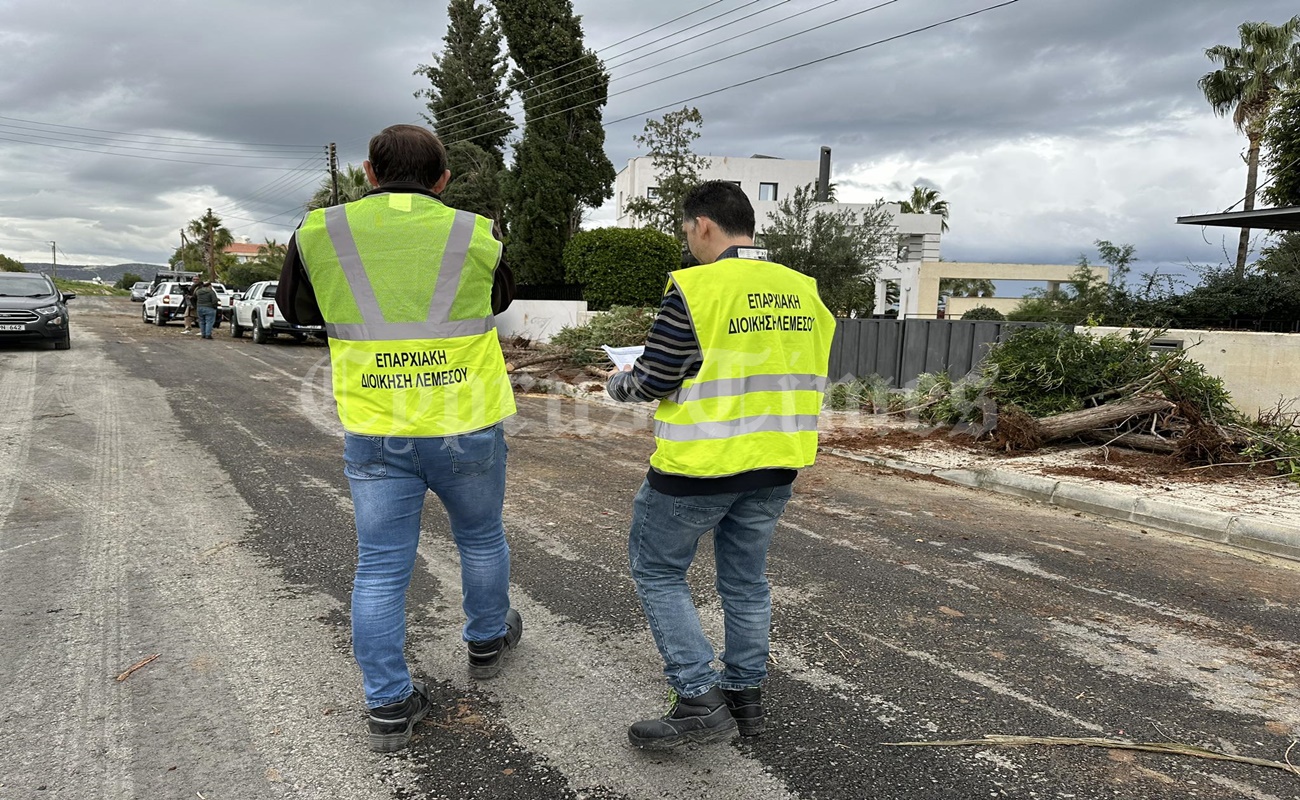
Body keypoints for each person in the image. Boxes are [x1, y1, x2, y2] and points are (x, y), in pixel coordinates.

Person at [276, 124, 520, 753]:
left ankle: (388, 704)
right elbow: (498, 299)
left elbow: (297, 311)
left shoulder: (319, 232)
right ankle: (488, 641)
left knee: (382, 565)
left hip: (378, 423)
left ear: (369, 172)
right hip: (466, 418)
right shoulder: (476, 231)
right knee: (481, 536)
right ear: (443, 179)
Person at [606, 181, 835, 751]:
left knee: (657, 571)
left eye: (687, 230)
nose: (688, 242)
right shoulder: (804, 289)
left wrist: (618, 382)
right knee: (745, 580)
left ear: (703, 224)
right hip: (776, 461)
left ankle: (697, 699)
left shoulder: (698, 288)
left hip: (698, 465)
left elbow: (655, 378)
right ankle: (744, 699)